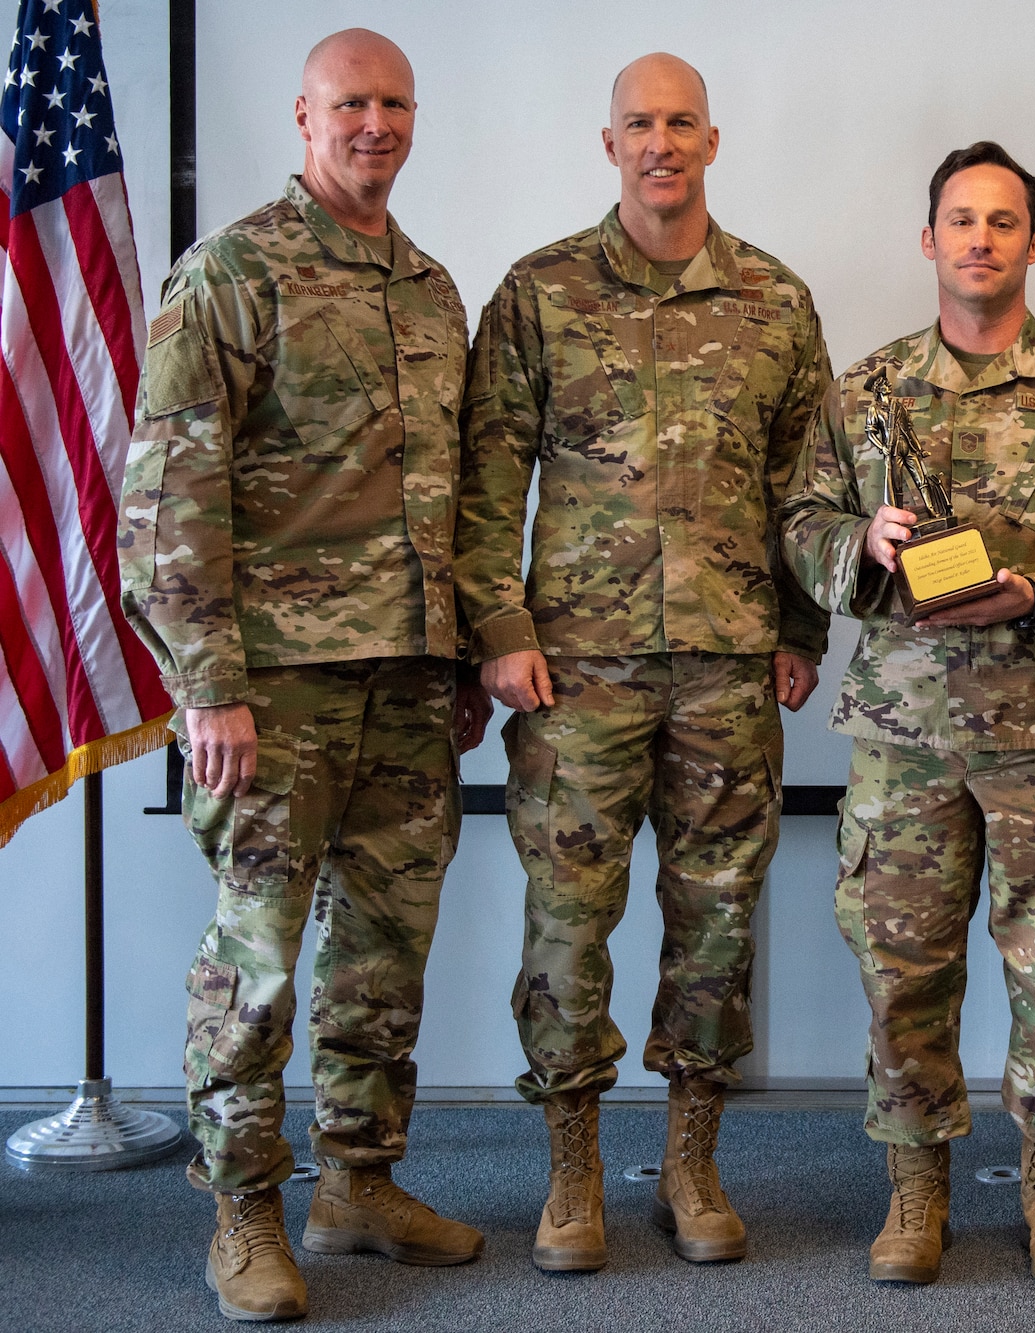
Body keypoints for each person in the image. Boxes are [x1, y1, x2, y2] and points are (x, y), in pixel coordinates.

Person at [119, 29, 488, 1322]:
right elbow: (167, 493)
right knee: (258, 957)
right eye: (350, 103)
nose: (373, 124)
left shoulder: (433, 289)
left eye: (394, 101)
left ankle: (358, 1182)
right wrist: (206, 680)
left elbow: (450, 491)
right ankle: (242, 1211)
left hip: (406, 679)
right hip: (271, 689)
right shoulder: (232, 271)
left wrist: (455, 650)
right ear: (303, 116)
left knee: (385, 951)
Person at [779, 141, 1035, 1287]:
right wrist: (856, 543)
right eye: (959, 219)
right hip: (904, 736)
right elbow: (800, 520)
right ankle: (915, 1190)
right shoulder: (863, 391)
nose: (979, 239)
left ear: (1034, 244)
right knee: (901, 967)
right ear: (927, 240)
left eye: (1002, 222)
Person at [455, 53, 831, 1274]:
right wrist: (500, 631)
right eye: (638, 124)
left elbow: (805, 487)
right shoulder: (539, 291)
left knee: (716, 919)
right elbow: (484, 478)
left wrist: (800, 626)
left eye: (680, 123)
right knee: (570, 920)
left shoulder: (774, 298)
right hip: (577, 673)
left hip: (726, 664)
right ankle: (571, 1168)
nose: (659, 143)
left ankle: (690, 1158)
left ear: (711, 142)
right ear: (605, 142)